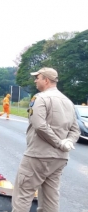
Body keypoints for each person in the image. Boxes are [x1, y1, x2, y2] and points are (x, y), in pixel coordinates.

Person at [12, 67, 80, 212]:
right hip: (60, 158)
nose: (35, 80)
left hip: (38, 156)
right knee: (51, 198)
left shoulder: (40, 98)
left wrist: (58, 143)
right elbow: (76, 130)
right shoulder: (68, 102)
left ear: (46, 80)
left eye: (38, 77)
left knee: (23, 194)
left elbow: (39, 125)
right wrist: (67, 142)